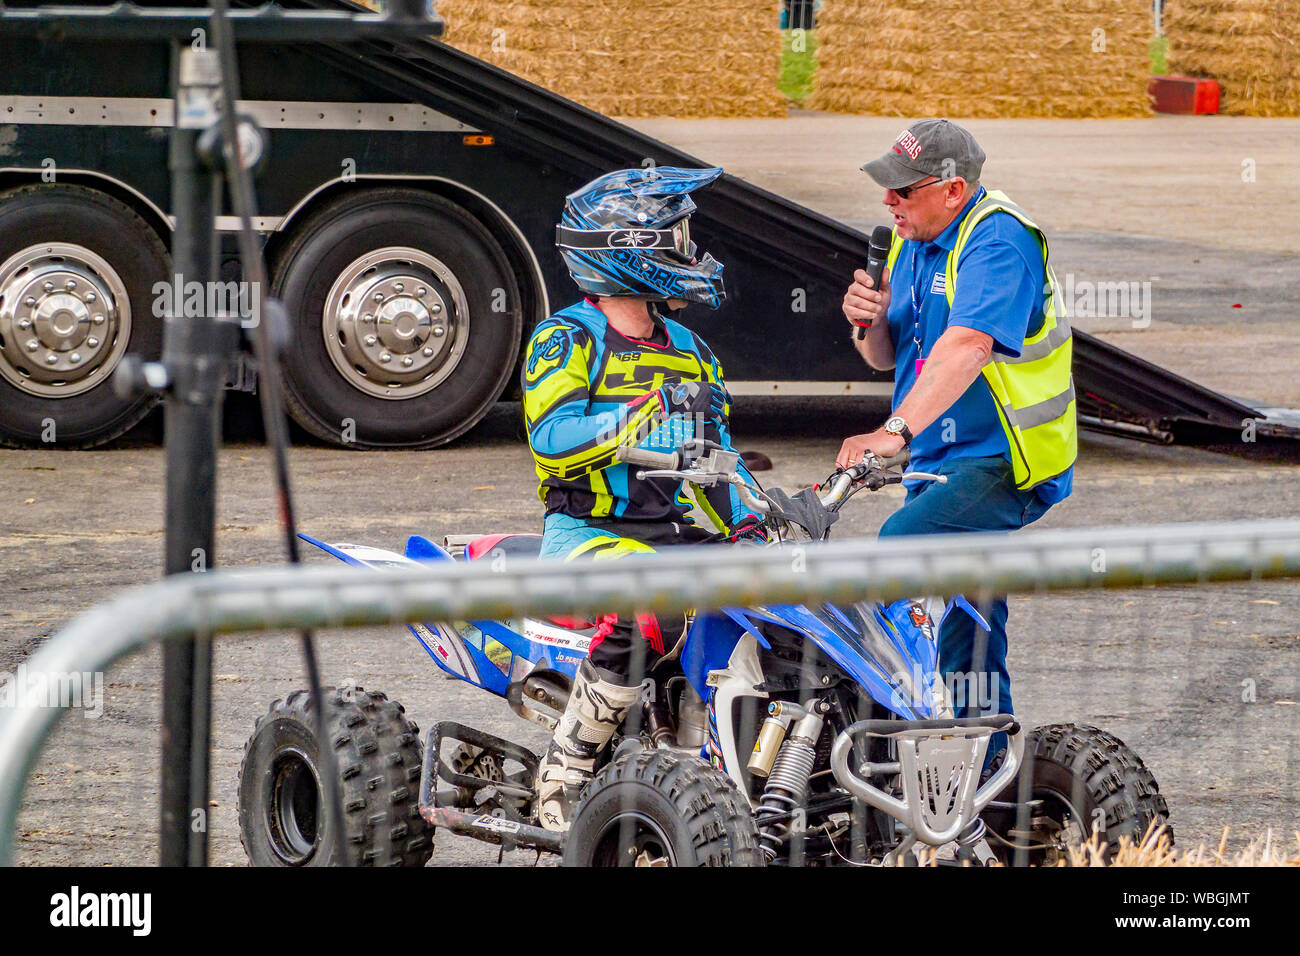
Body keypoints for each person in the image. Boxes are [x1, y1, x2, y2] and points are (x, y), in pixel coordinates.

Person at [523, 165, 762, 831]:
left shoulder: (692, 349)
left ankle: (744, 767)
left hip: (669, 530)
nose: (691, 252)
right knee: (650, 604)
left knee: (783, 600)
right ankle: (566, 767)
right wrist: (633, 419)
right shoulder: (566, 338)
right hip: (583, 535)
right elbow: (552, 438)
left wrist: (751, 524)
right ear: (631, 249)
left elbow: (716, 459)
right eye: (677, 237)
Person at [836, 119, 1076, 766]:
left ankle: (877, 745)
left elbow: (967, 347)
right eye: (887, 188)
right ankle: (989, 769)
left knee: (902, 554)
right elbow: (888, 359)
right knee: (970, 622)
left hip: (1004, 459)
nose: (888, 201)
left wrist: (891, 434)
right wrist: (869, 322)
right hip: (940, 458)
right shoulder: (914, 239)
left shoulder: (998, 239)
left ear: (952, 189)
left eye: (903, 190)